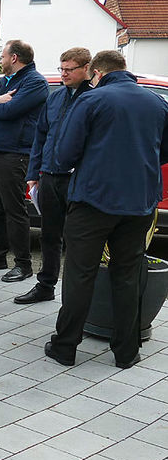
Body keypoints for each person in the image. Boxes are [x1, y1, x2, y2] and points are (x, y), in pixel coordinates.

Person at [46, 50, 168, 369]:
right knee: (127, 275)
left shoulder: (92, 100)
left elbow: (64, 155)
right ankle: (126, 352)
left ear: (97, 73)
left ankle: (65, 346)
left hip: (93, 200)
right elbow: (164, 150)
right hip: (139, 202)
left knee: (80, 274)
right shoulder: (157, 103)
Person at [15, 47, 93, 305]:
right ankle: (46, 285)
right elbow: (41, 136)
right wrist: (34, 173)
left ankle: (75, 294)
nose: (64, 74)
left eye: (70, 69)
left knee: (77, 238)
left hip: (77, 179)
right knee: (49, 233)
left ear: (86, 69)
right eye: (62, 68)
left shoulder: (95, 98)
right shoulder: (55, 97)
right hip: (49, 175)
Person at [0, 39, 47, 282]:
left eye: (3, 57)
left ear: (14, 58)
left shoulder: (35, 82)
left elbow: (10, 111)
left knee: (14, 211)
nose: (1, 60)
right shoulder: (6, 81)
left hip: (15, 155)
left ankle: (23, 264)